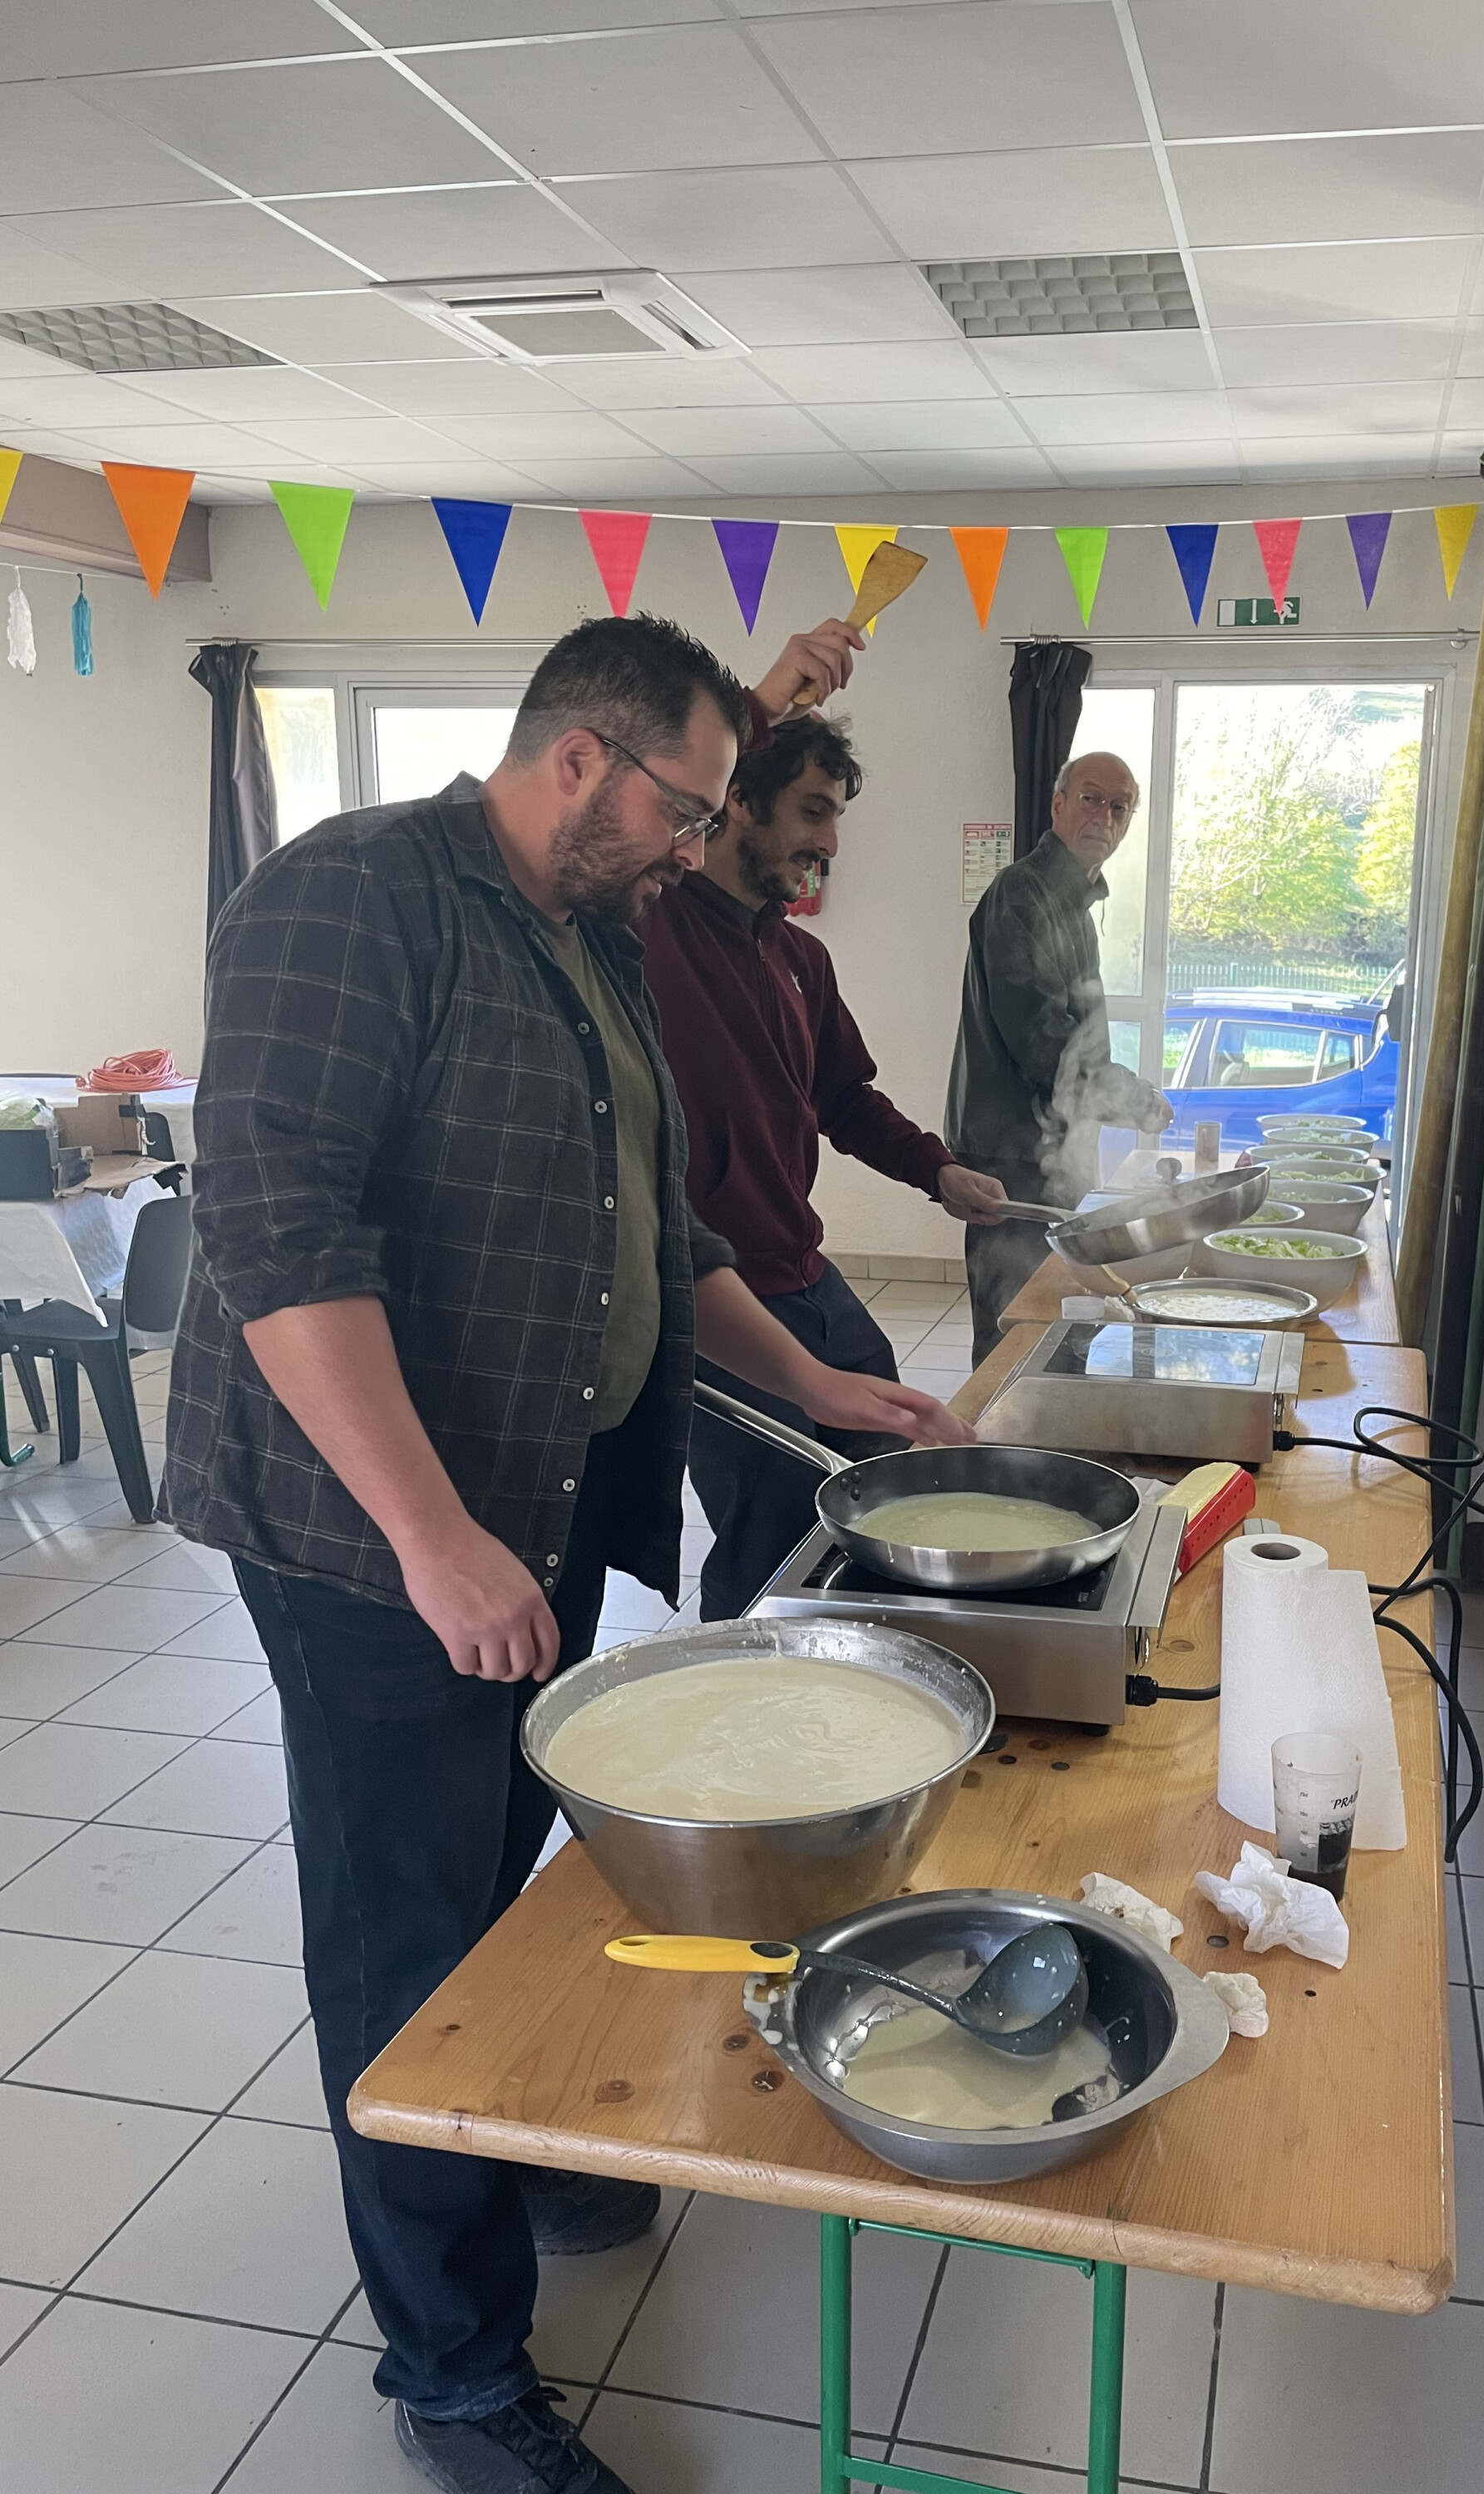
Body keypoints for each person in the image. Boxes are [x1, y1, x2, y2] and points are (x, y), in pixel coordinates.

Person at [162, 614, 969, 2494]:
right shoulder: (353, 896)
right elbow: (278, 1231)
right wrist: (429, 1534)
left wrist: (813, 1377)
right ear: (581, 758)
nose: (705, 844)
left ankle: (485, 2146)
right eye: (688, 805)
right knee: (404, 1921)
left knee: (504, 1856)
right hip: (376, 1531)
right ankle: (452, 2372)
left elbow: (658, 1220)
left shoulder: (595, 925)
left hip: (545, 1488)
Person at [641, 712, 1007, 1616]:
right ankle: (747, 1670)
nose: (829, 843)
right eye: (812, 811)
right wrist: (757, 702)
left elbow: (843, 1098)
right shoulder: (650, 932)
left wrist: (937, 1171)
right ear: (736, 799)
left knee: (883, 1475)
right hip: (714, 1298)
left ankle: (859, 1645)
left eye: (835, 816)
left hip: (809, 1276)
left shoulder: (801, 957)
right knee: (770, 1534)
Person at [945, 750, 1171, 1364]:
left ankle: (1045, 1421)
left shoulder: (1073, 904)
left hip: (1052, 1148)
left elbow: (1076, 1041)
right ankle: (1001, 1427)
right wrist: (1134, 1100)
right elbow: (1045, 1041)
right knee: (1019, 1324)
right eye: (1091, 798)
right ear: (1057, 805)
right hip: (1013, 1154)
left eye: (1120, 807)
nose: (1105, 815)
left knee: (1063, 1317)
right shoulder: (1023, 893)